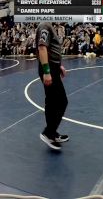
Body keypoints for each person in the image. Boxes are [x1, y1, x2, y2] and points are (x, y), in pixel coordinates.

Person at [36, 22, 69, 150]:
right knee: (59, 101)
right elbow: (42, 47)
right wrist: (47, 71)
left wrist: (58, 65)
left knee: (55, 101)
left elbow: (49, 48)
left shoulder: (49, 26)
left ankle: (52, 132)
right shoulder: (45, 26)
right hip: (48, 68)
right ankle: (48, 133)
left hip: (52, 67)